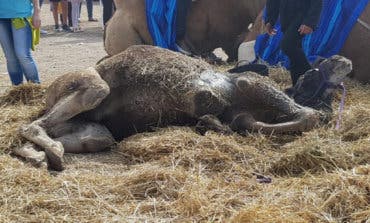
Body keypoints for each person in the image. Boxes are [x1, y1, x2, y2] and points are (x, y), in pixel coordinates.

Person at [265, 0, 323, 86]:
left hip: (302, 13)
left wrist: (310, 22)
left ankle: (314, 77)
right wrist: (270, 19)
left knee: (287, 45)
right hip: (286, 14)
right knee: (293, 52)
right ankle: (298, 87)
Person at [0, 0, 41, 85]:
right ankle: (17, 90)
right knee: (10, 57)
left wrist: (37, 12)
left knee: (23, 55)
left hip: (21, 14)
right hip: (1, 17)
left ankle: (35, 88)